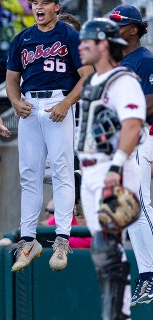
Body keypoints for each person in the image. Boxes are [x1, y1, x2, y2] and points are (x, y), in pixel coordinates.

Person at [6, 0, 92, 273]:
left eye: (44, 2)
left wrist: (66, 103)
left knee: (62, 172)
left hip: (58, 102)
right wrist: (15, 100)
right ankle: (28, 239)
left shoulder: (69, 34)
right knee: (29, 174)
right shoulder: (23, 38)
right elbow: (11, 79)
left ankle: (62, 240)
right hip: (30, 106)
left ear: (56, 6)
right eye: (35, 3)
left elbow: (87, 75)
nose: (38, 7)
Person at [76, 18, 144, 320]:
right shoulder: (91, 81)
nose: (80, 47)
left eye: (86, 42)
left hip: (112, 168)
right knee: (103, 252)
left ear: (103, 44)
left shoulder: (123, 80)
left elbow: (132, 125)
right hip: (91, 170)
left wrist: (116, 168)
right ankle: (117, 313)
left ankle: (118, 314)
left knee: (109, 246)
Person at [109, 4, 153, 306]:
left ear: (134, 29)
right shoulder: (114, 62)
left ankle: (149, 276)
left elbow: (149, 104)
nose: (114, 28)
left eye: (119, 24)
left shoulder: (144, 60)